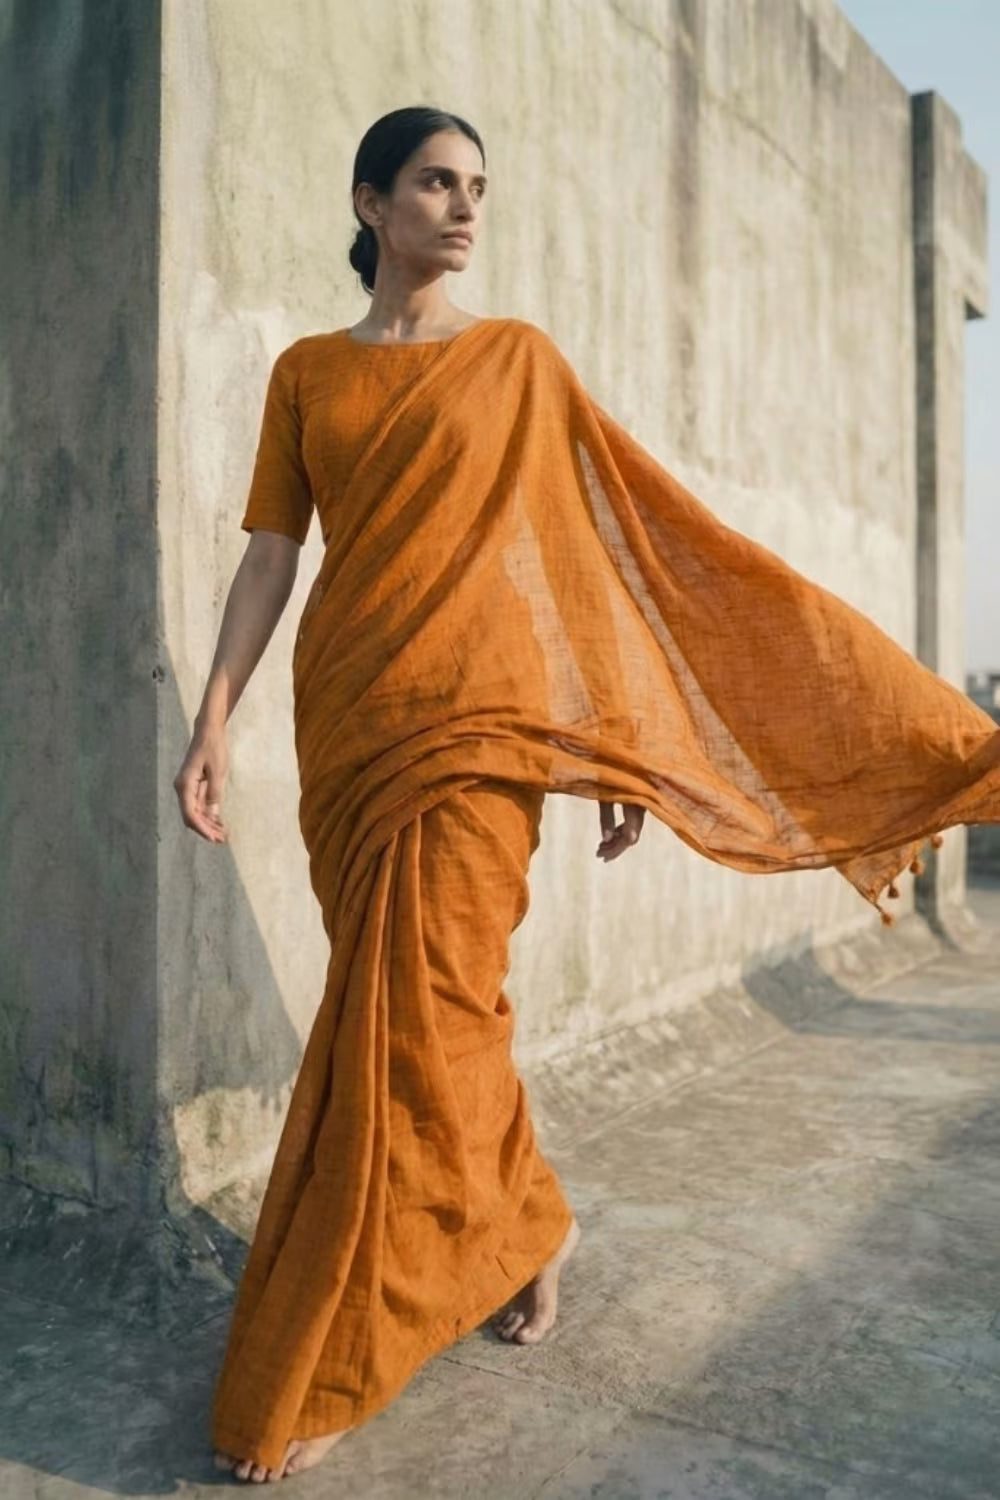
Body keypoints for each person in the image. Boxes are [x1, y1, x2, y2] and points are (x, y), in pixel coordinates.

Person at [174, 106, 1000, 1484]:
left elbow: (589, 553)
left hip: (484, 738)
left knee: (420, 1021)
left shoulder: (518, 363)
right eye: (435, 183)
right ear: (371, 203)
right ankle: (524, 1222)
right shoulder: (307, 376)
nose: (464, 207)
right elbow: (272, 556)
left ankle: (345, 1339)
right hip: (355, 729)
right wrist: (212, 718)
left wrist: (602, 741)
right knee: (423, 1017)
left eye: (479, 187)